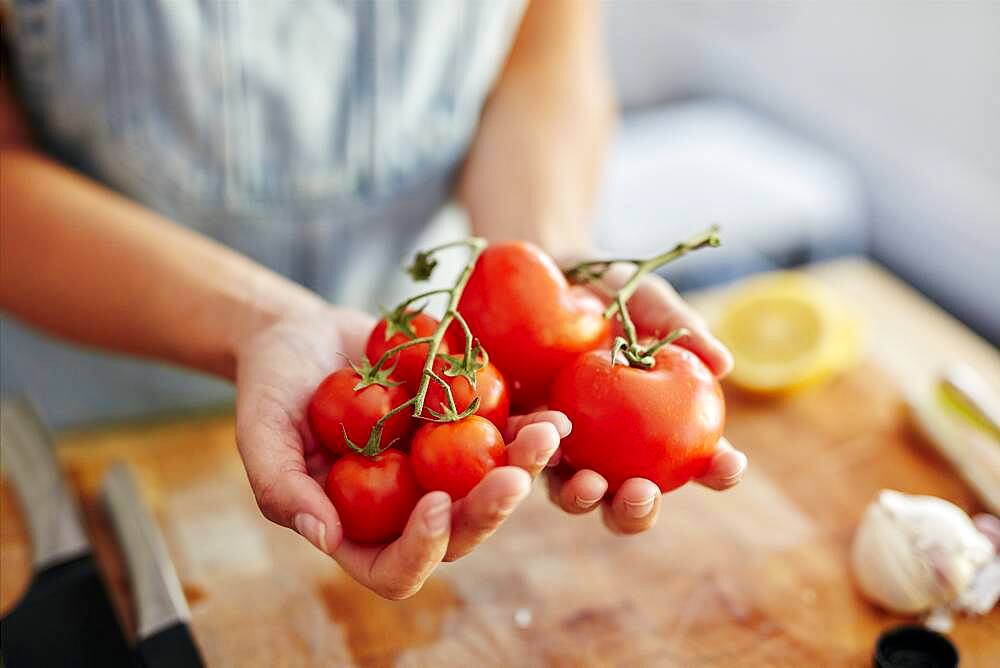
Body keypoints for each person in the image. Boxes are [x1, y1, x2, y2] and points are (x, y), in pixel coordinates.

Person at [0, 0, 746, 600]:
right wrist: (257, 322)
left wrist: (538, 259)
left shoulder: (440, 394)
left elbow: (541, 53)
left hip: (421, 359)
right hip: (91, 428)